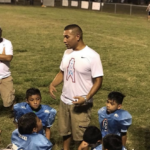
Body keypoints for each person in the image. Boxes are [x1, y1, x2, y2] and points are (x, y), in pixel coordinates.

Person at [49, 24, 103, 150]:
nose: (64, 40)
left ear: (77, 36)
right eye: (63, 37)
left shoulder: (92, 56)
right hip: (64, 100)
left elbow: (99, 81)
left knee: (81, 137)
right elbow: (62, 72)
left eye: (67, 37)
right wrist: (53, 84)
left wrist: (86, 97)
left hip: (81, 103)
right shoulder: (67, 52)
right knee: (65, 132)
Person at [0, 27, 15, 110]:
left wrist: (5, 57)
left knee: (9, 102)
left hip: (4, 77)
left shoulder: (7, 43)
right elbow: (5, 57)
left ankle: (17, 116)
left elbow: (8, 58)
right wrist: (2, 56)